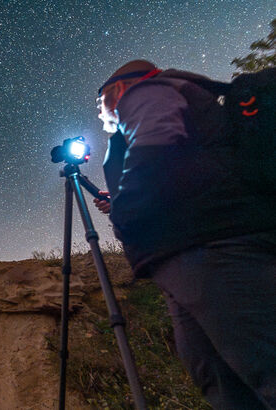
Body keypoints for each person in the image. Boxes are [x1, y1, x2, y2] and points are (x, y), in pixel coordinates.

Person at [94, 60, 276, 409]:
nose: (100, 110)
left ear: (119, 87)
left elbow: (155, 148)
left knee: (263, 368)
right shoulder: (181, 96)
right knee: (224, 384)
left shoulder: (145, 91)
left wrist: (127, 213)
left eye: (100, 99)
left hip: (213, 246)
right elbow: (171, 164)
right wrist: (124, 201)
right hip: (190, 254)